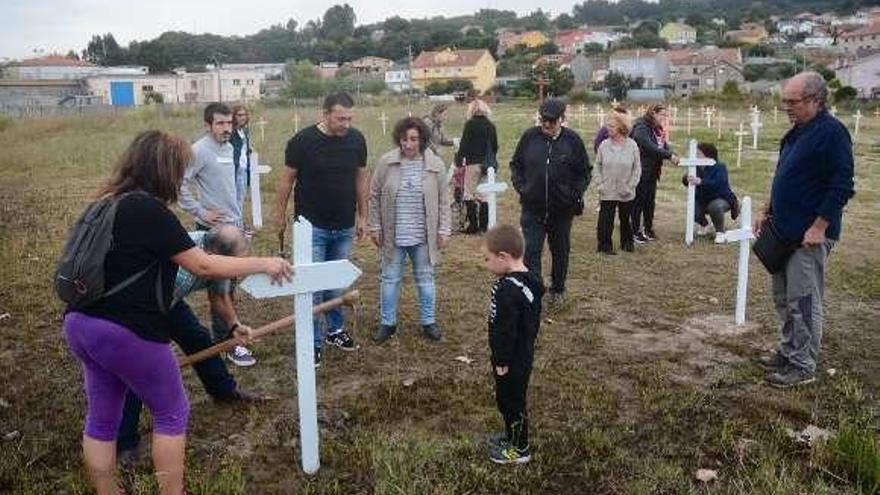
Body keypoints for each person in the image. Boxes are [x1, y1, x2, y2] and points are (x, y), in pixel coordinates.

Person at [61, 130, 292, 495]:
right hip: (126, 330)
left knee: (101, 419)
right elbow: (202, 265)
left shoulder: (103, 202)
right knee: (171, 413)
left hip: (80, 323)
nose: (181, 178)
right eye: (179, 169)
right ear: (164, 169)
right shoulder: (148, 209)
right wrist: (265, 262)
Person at [116, 224, 263, 466]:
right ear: (214, 257)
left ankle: (223, 390)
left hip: (168, 301)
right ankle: (124, 443)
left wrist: (234, 325)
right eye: (234, 264)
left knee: (198, 338)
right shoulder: (182, 267)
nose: (236, 270)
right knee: (137, 367)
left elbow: (219, 296)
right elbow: (152, 306)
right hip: (140, 307)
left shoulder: (215, 259)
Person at [754, 72, 854, 388]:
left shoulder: (833, 133)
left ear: (815, 101)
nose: (787, 106)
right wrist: (767, 207)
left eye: (792, 101)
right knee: (784, 298)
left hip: (808, 237)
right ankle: (788, 352)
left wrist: (819, 227)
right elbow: (785, 173)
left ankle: (803, 365)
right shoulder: (796, 131)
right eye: (785, 100)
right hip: (783, 230)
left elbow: (842, 186)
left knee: (804, 301)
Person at [274, 92, 369, 367]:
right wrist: (278, 215)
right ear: (325, 114)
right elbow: (286, 181)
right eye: (340, 118)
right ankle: (312, 342)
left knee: (337, 282)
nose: (346, 124)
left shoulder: (356, 140)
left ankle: (335, 331)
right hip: (311, 227)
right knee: (312, 287)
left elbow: (362, 178)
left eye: (350, 118)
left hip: (343, 225)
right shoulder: (302, 142)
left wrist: (363, 216)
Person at [179, 102, 254, 366]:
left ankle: (225, 337)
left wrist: (240, 222)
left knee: (229, 287)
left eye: (229, 123)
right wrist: (201, 212)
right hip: (213, 231)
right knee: (221, 290)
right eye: (220, 124)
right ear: (208, 125)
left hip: (233, 227)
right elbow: (179, 186)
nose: (226, 129)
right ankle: (228, 344)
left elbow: (230, 189)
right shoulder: (198, 150)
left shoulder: (231, 147)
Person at [369, 117, 451, 343]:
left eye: (413, 139)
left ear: (422, 140)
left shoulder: (435, 165)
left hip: (423, 236)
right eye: (404, 139)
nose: (408, 144)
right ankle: (387, 323)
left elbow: (444, 200)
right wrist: (374, 226)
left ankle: (428, 322)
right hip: (393, 234)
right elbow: (374, 195)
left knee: (425, 278)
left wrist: (444, 229)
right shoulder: (387, 163)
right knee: (390, 278)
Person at [510, 98, 591, 306]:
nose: (546, 124)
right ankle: (535, 290)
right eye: (543, 119)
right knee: (531, 250)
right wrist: (523, 188)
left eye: (552, 121)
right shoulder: (530, 137)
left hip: (561, 211)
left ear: (562, 120)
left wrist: (574, 195)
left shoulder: (573, 141)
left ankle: (558, 288)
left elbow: (584, 172)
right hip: (532, 208)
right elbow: (516, 165)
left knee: (560, 250)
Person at [481, 224, 545, 464]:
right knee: (513, 398)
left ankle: (519, 448)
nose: (485, 264)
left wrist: (501, 361)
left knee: (510, 400)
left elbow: (503, 330)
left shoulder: (506, 289)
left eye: (487, 259)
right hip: (524, 353)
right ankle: (511, 436)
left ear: (503, 257)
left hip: (511, 358)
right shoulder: (531, 280)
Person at [630, 104, 679, 243]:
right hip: (641, 169)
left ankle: (648, 229)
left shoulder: (656, 129)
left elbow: (662, 144)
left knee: (649, 202)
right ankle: (635, 231)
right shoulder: (641, 126)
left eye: (665, 115)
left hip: (652, 170)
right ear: (653, 113)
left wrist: (672, 152)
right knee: (638, 201)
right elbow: (648, 146)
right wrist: (669, 156)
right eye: (662, 115)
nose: (664, 118)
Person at [595, 110, 641, 255]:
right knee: (605, 219)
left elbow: (637, 168)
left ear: (621, 128)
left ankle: (627, 243)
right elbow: (597, 166)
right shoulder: (603, 145)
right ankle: (604, 245)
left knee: (625, 218)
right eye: (608, 126)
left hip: (625, 190)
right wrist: (600, 183)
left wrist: (630, 186)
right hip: (607, 189)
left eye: (612, 127)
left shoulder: (632, 146)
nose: (608, 129)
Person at [680, 142, 739, 244]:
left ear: (708, 155)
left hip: (722, 199)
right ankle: (705, 225)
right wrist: (687, 179)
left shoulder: (720, 167)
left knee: (715, 206)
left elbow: (719, 184)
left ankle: (720, 232)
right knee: (692, 206)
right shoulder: (696, 168)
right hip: (703, 200)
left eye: (698, 154)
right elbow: (686, 179)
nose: (695, 156)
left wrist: (701, 182)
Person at [455, 99, 498, 234]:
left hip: (472, 163)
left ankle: (473, 225)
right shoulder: (491, 126)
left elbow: (464, 145)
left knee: (469, 194)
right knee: (484, 195)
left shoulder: (470, 125)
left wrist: (459, 160)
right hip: (487, 165)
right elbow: (495, 146)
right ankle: (484, 226)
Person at [229, 104, 252, 215]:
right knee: (234, 200)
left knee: (241, 199)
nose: (242, 117)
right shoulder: (231, 133)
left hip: (244, 168)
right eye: (239, 115)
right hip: (235, 168)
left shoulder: (244, 131)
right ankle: (236, 226)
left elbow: (244, 149)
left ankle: (239, 223)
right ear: (233, 116)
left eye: (244, 115)